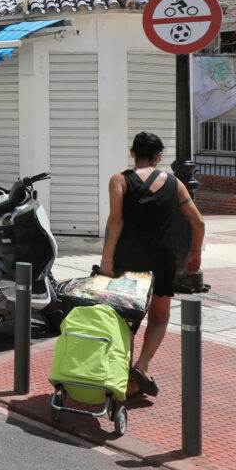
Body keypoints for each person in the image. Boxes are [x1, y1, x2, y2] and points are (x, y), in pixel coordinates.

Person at [100, 132, 205, 398]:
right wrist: (194, 253)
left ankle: (123, 378)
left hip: (128, 258)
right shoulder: (175, 183)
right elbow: (199, 222)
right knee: (159, 316)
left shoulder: (119, 180)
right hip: (162, 259)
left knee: (126, 320)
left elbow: (116, 221)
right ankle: (142, 365)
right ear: (159, 156)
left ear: (132, 153)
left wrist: (107, 261)